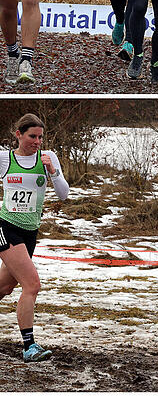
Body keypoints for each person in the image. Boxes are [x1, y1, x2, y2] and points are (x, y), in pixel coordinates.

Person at [0, 113, 69, 362]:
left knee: (6, 286)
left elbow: (63, 195)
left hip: (30, 233)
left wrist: (53, 172)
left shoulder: (48, 158)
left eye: (40, 137)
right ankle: (29, 346)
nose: (37, 141)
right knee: (32, 285)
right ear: (18, 135)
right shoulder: (4, 158)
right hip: (7, 228)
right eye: (32, 136)